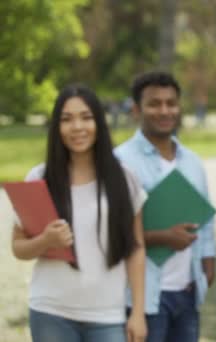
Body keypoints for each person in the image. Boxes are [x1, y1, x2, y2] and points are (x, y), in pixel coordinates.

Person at [11, 84, 147, 342]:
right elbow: (18, 248)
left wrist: (137, 313)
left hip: (107, 315)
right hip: (51, 312)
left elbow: (136, 247)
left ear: (99, 122)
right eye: (67, 119)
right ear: (56, 127)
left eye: (86, 117)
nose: (77, 127)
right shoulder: (40, 178)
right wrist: (45, 241)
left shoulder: (124, 178)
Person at [114, 72, 216, 342]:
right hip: (143, 296)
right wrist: (163, 237)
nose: (164, 110)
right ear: (136, 110)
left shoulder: (192, 161)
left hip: (187, 292)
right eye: (154, 104)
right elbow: (112, 233)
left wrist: (208, 262)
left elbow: (205, 222)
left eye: (171, 103)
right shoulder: (120, 161)